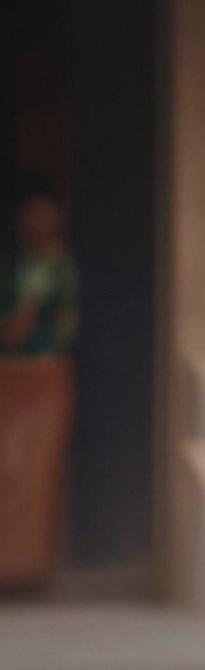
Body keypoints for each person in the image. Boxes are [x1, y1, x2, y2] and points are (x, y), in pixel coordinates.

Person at [0, 187, 81, 589]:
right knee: (7, 468)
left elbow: (67, 323)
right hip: (9, 376)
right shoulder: (10, 265)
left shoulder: (60, 268)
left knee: (37, 471)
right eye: (32, 214)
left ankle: (29, 567)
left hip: (45, 374)